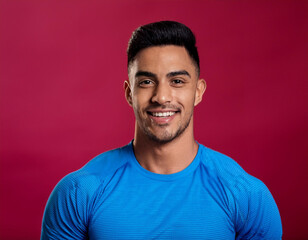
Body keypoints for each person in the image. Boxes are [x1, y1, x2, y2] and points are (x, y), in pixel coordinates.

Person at [41, 21, 282, 239]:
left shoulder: (246, 195)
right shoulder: (79, 192)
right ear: (129, 93)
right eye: (146, 82)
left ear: (198, 91)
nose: (161, 96)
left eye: (177, 81)